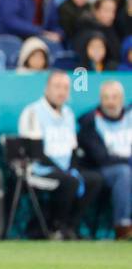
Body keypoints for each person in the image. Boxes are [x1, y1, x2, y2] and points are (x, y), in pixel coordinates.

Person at [18, 70, 104, 240]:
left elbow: (73, 149)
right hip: (39, 169)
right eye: (57, 87)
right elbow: (35, 152)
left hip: (65, 169)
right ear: (46, 89)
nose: (61, 92)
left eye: (65, 87)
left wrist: (72, 168)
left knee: (94, 179)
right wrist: (65, 171)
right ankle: (56, 225)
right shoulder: (33, 112)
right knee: (69, 181)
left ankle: (70, 225)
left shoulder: (68, 114)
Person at [77, 80, 132, 240]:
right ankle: (123, 227)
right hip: (102, 171)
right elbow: (101, 158)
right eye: (106, 98)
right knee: (124, 173)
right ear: (101, 99)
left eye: (114, 97)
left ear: (122, 98)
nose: (110, 102)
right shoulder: (90, 122)